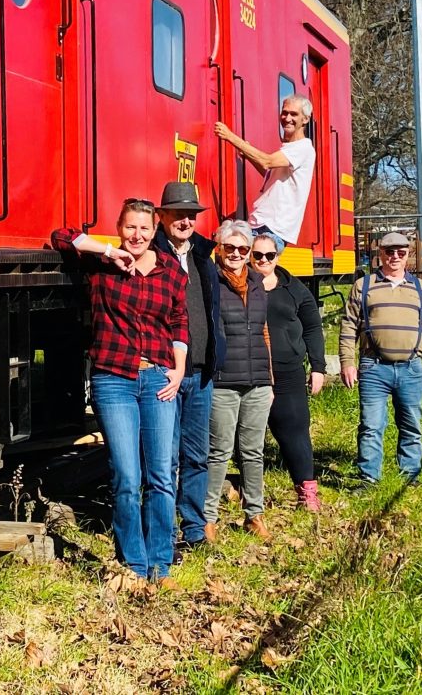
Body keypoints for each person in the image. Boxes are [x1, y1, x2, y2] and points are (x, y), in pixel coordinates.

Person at [51, 199, 188, 587]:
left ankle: (160, 564)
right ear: (119, 227)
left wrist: (178, 369)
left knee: (161, 474)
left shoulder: (170, 270)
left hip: (159, 378)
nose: (138, 236)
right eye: (130, 228)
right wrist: (107, 251)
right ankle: (134, 564)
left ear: (154, 228)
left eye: (145, 228)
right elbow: (61, 236)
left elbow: (179, 321)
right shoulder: (102, 265)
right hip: (114, 379)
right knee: (127, 475)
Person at [152, 181, 226, 552]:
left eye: (190, 215)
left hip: (200, 373)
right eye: (177, 213)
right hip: (164, 372)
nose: (185, 220)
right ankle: (163, 533)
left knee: (196, 454)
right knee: (164, 458)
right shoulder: (148, 255)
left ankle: (194, 527)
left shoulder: (203, 257)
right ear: (161, 216)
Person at [340, 232, 422, 484]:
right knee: (371, 426)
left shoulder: (421, 289)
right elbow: (348, 327)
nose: (395, 257)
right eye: (390, 252)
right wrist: (347, 363)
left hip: (411, 368)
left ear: (408, 255)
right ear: (380, 255)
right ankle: (369, 477)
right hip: (373, 367)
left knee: (411, 425)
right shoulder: (363, 286)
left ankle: (410, 474)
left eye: (401, 252)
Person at [203, 220, 274, 543]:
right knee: (219, 451)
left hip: (257, 380)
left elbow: (263, 331)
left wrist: (269, 380)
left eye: (242, 249)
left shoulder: (258, 284)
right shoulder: (210, 280)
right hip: (223, 381)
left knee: (253, 451)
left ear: (249, 253)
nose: (235, 253)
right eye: (229, 247)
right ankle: (208, 517)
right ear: (219, 249)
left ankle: (254, 514)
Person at [250, 233, 326, 510]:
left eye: (269, 255)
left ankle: (307, 491)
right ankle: (249, 496)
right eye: (257, 255)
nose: (263, 260)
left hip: (288, 371)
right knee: (244, 437)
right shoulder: (238, 285)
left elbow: (313, 327)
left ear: (277, 257)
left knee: (294, 430)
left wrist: (318, 367)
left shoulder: (294, 289)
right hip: (249, 370)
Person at [213, 95, 316, 249]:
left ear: (306, 119)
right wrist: (247, 153)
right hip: (260, 223)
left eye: (294, 114)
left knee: (250, 268)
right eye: (284, 112)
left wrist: (230, 136)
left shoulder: (303, 148)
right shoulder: (289, 149)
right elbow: (270, 174)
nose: (287, 118)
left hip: (272, 228)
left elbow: (266, 161)